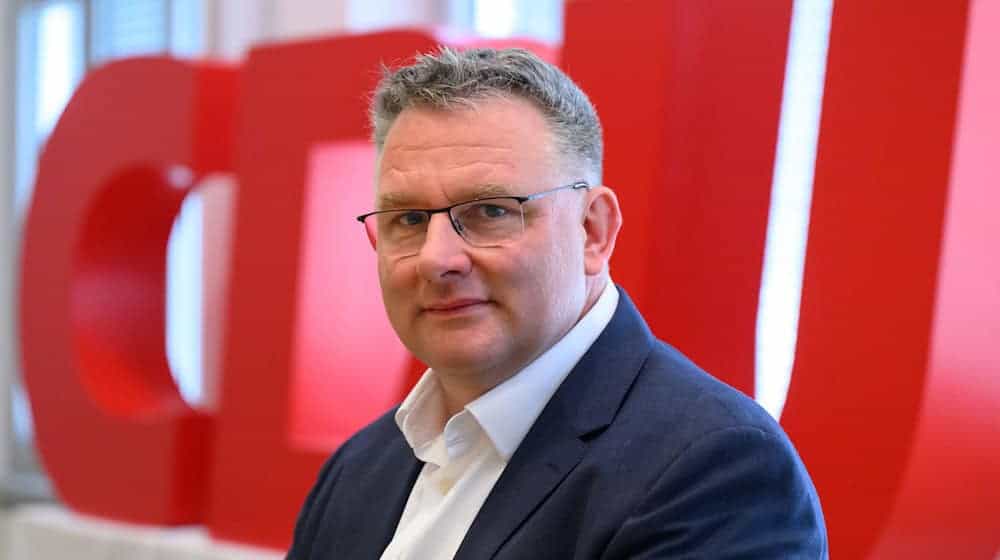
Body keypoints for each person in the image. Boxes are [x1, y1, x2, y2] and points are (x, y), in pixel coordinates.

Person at [287, 47, 827, 559]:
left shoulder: (716, 470)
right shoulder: (357, 469)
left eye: (490, 212)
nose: (437, 259)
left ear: (593, 231)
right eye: (408, 219)